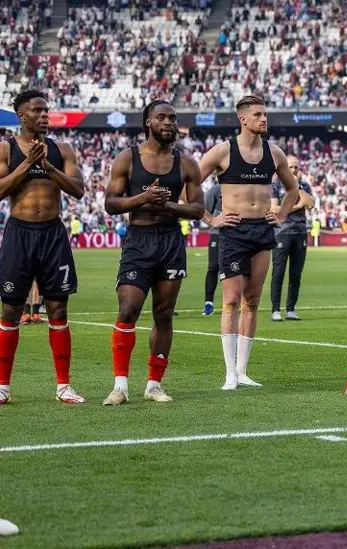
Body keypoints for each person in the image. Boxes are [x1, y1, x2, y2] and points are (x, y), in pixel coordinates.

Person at [102, 100, 204, 405]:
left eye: (172, 118)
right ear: (148, 122)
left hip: (171, 241)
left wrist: (168, 204)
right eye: (162, 117)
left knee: (163, 313)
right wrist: (144, 197)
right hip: (139, 239)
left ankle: (154, 384)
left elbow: (198, 209)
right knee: (128, 308)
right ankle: (120, 386)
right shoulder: (128, 158)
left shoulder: (186, 163)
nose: (169, 123)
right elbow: (110, 203)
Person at [198, 95, 301, 390]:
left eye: (265, 114)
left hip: (262, 230)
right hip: (233, 231)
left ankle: (243, 371)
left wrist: (280, 215)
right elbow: (188, 186)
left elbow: (292, 190)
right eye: (258, 115)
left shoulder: (275, 152)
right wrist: (210, 219)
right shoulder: (223, 151)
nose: (264, 119)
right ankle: (229, 373)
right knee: (230, 301)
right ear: (243, 119)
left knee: (252, 301)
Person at [0, 89, 86, 405]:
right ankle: (2, 387)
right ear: (22, 116)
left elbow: (78, 190)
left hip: (53, 234)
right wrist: (27, 165)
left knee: (58, 309)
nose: (44, 116)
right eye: (38, 111)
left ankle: (64, 386)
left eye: (46, 111)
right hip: (19, 233)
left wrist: (47, 166)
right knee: (10, 309)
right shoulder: (5, 149)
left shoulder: (61, 149)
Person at [270, 155, 315, 322]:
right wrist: (297, 205)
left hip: (300, 232)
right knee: (278, 272)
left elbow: (310, 204)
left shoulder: (304, 185)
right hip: (282, 232)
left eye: (296, 167)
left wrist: (297, 187)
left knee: (296, 274)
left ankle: (290, 309)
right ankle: (275, 309)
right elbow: (274, 209)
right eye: (290, 167)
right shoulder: (276, 185)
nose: (294, 170)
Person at [202, 181, 221, 315]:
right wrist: (214, 221)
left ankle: (234, 302)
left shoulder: (241, 186)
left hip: (238, 235)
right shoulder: (216, 189)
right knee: (213, 267)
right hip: (218, 233)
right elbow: (206, 210)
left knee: (236, 269)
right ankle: (208, 303)